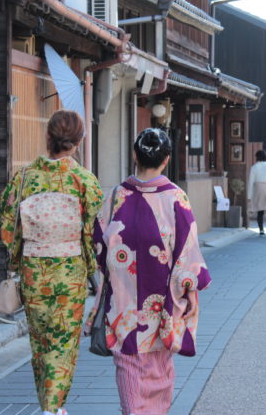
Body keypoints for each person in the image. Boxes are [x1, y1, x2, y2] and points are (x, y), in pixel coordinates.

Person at [87, 128, 211, 415]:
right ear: (166, 160)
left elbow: (98, 245)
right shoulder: (177, 198)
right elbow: (188, 256)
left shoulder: (117, 196)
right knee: (160, 370)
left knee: (129, 369)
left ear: (134, 155)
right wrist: (190, 286)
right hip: (162, 307)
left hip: (124, 305)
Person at [0, 110, 103, 415]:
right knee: (64, 343)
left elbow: (8, 224)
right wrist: (91, 266)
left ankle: (50, 406)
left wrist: (19, 258)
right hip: (69, 271)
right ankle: (53, 408)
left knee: (41, 342)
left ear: (49, 137)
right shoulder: (84, 180)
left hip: (34, 269)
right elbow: (93, 231)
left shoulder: (25, 178)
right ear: (79, 141)